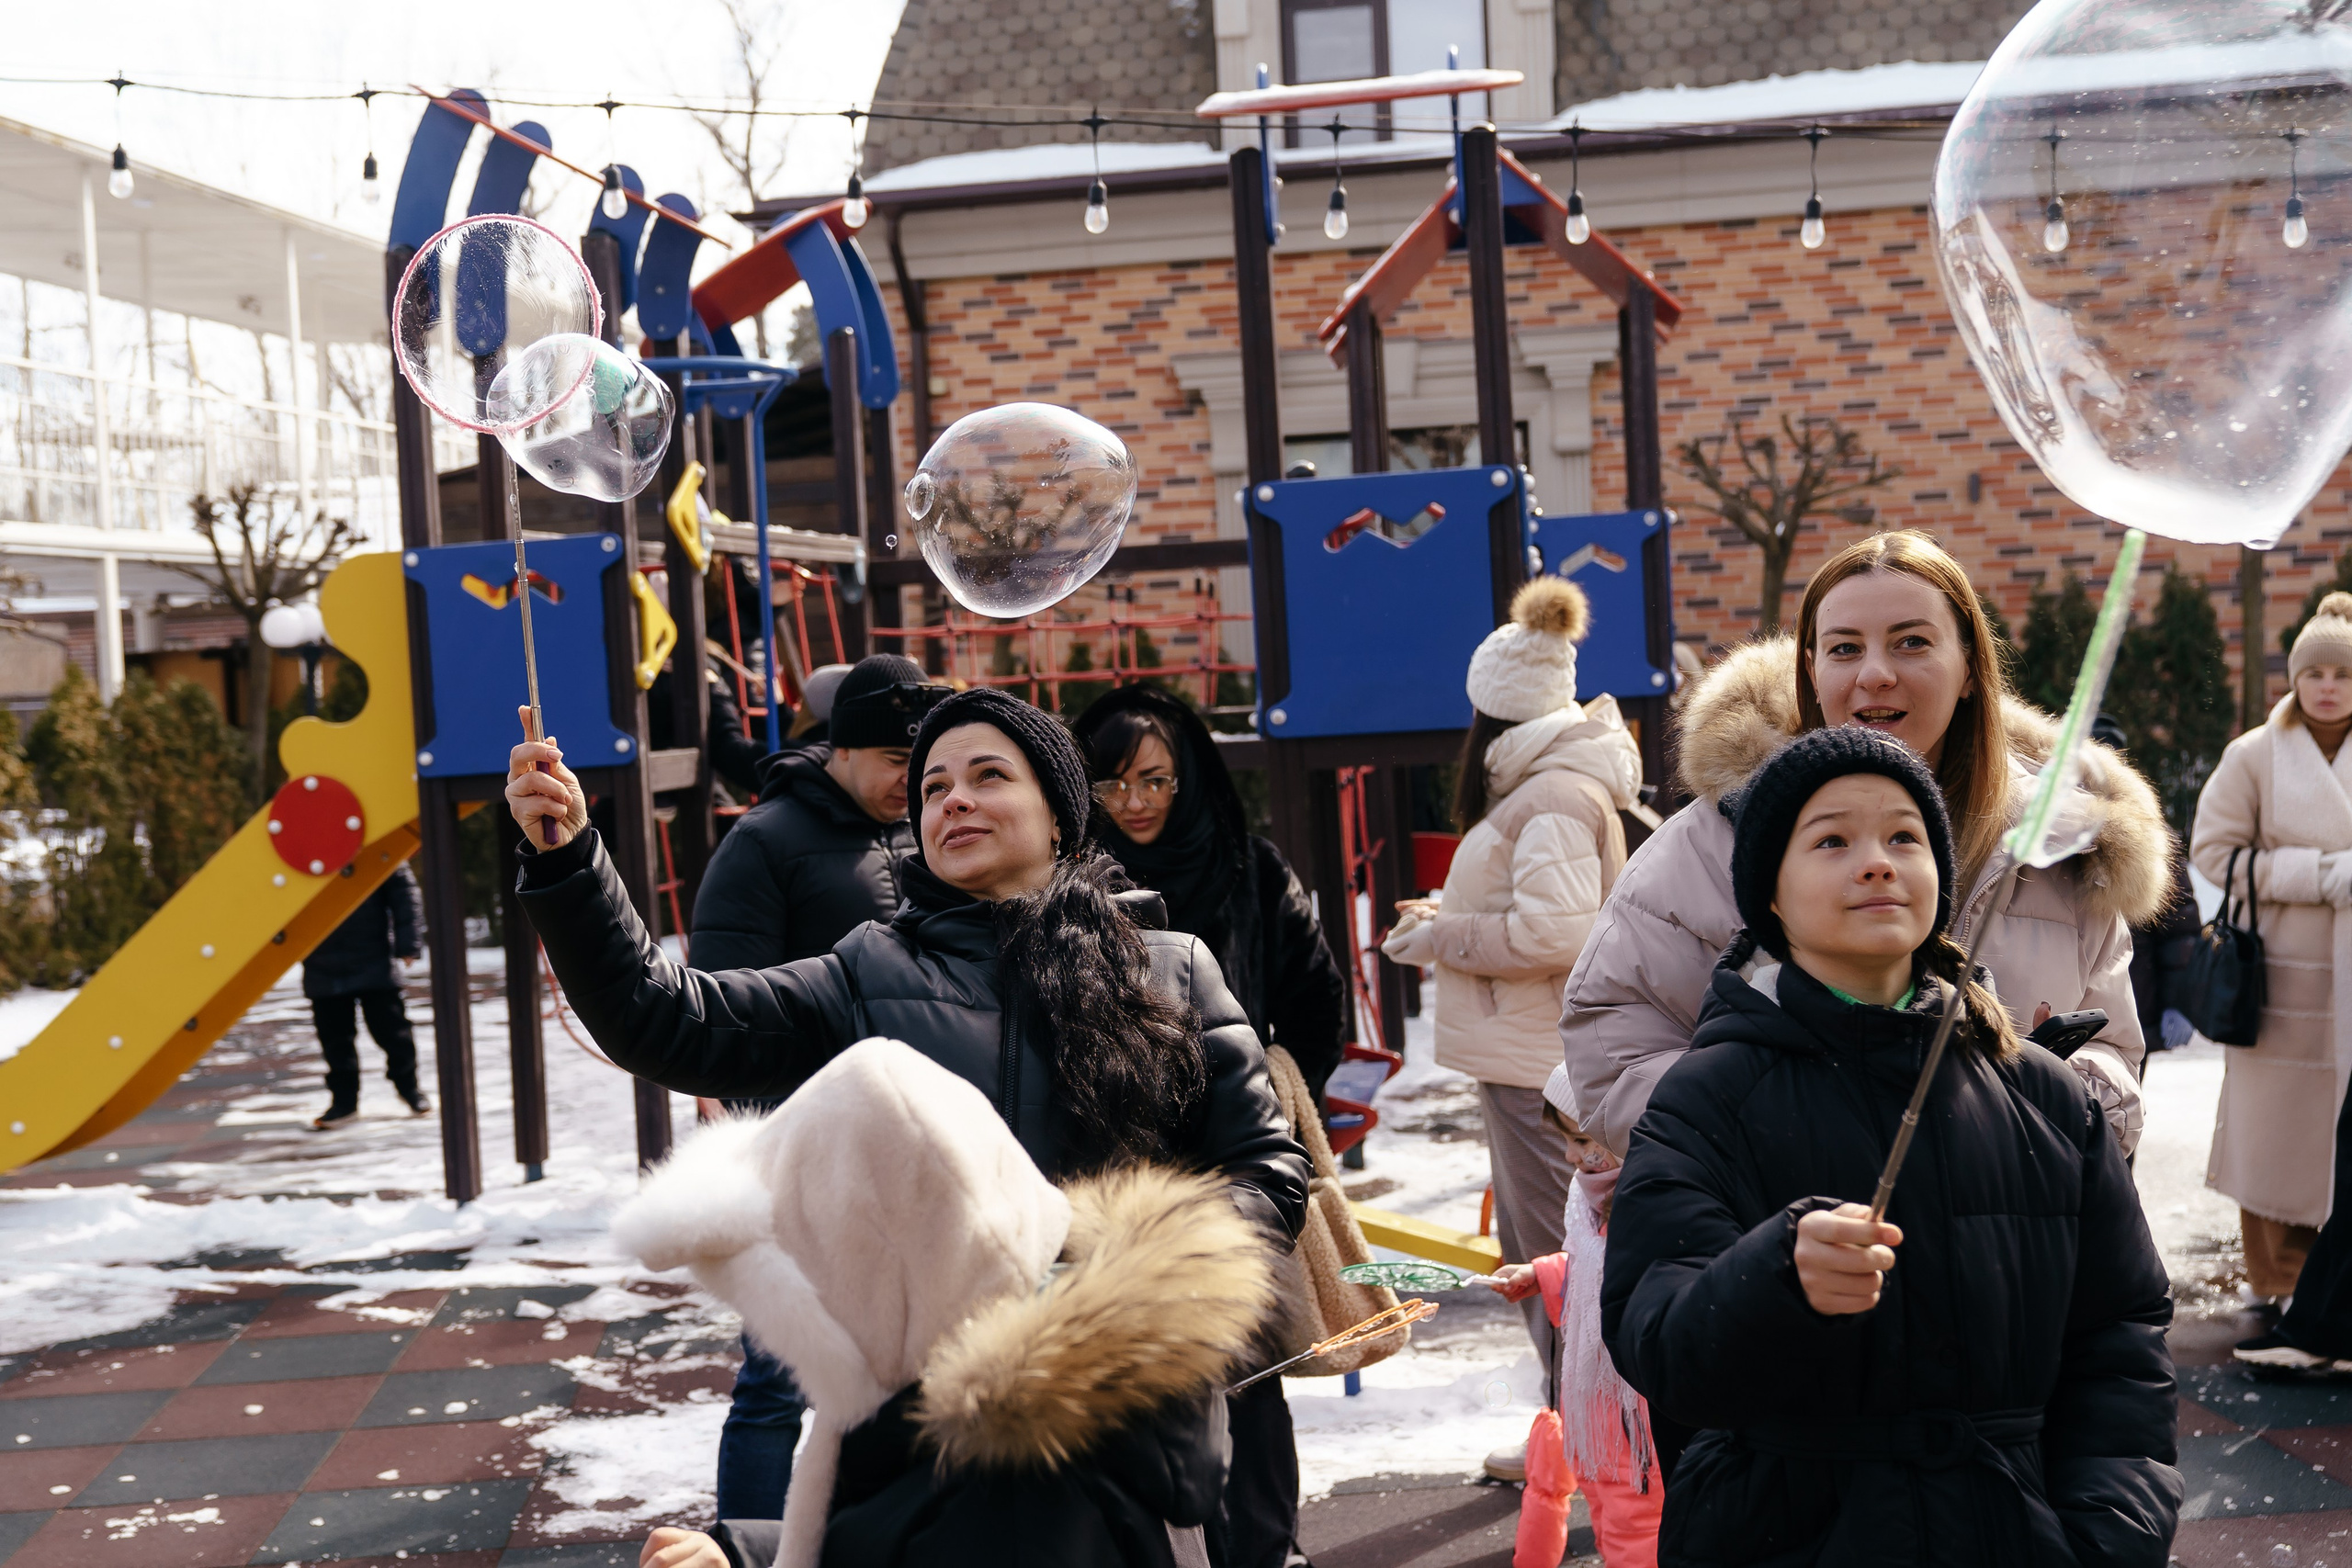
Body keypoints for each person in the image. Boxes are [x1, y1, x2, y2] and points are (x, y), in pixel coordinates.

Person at [507, 687, 1309, 1550]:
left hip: (1128, 1407)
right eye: (931, 787)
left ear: (1060, 819)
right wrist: (571, 861)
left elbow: (1268, 1174)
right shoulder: (867, 968)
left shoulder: (1171, 968)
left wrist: (1114, 1269)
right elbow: (665, 1016)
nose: (952, 799)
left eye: (987, 775)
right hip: (923, 1432)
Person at [1602, 726, 2181, 1566]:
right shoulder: (1703, 1100)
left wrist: (2106, 1535)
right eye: (1832, 839)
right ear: (1769, 892)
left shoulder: (2049, 1103)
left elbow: (2120, 1340)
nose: (1876, 861)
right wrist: (1776, 1278)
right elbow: (1658, 1340)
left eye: (1904, 836)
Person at [1562, 531, 2168, 1164]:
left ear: (1969, 668)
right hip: (1794, 1240)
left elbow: (2116, 1053)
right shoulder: (1716, 838)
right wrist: (1783, 1123)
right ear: (1813, 672)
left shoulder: (2056, 846)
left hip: (2009, 1235)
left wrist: (2049, 1096)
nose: (1876, 674)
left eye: (1912, 642)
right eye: (1845, 648)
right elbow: (1610, 1042)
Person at [623, 1040, 1272, 1568]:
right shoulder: (997, 1416)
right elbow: (892, 1528)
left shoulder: (1011, 1500)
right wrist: (743, 1552)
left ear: (878, 1288)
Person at [1071, 681, 1347, 1568]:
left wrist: (1265, 1091)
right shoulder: (1068, 885)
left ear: (1187, 773)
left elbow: (1317, 999)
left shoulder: (1250, 867)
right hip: (1117, 1165)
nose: (1138, 802)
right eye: (1111, 786)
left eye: (1155, 779)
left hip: (1233, 1160)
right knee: (1141, 1376)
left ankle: (1269, 1549)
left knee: (1251, 1370)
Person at [1383, 576, 1642, 1482]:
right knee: (1545, 1255)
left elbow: (1555, 933)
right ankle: (1577, 1430)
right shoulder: (1557, 786)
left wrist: (1438, 938)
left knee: (1553, 1260)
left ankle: (1581, 1438)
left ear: (1493, 715)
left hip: (1539, 1063)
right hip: (1532, 1054)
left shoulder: (1551, 796)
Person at [681, 651, 949, 1521]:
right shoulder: (766, 841)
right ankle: (746, 1542)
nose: (913, 784)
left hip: (923, 1137)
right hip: (806, 1149)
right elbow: (722, 1002)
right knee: (779, 1373)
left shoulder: (919, 831)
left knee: (921, 1366)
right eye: (897, 765)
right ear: (842, 749)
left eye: (925, 767)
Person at [2192, 593, 2352, 1354]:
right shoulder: (2254, 753)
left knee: (2340, 1126)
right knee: (2278, 1129)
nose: (2328, 686)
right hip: (2278, 977)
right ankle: (2280, 1279)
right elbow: (2212, 853)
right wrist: (2319, 874)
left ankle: (2332, 1285)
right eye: (2314, 672)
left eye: (2343, 673)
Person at [1485, 1067, 1659, 1568]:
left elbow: (1625, 1287)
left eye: (1582, 1139)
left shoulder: (1652, 1204)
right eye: (1565, 1139)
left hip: (1639, 1419)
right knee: (1609, 1519)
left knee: (1638, 1529)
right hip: (1598, 1413)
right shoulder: (1592, 1204)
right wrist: (1544, 1273)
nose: (1569, 1156)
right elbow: (1590, 1273)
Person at [304, 861, 428, 1131]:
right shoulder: (300, 852)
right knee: (335, 1039)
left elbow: (403, 892)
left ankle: (409, 1088)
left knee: (394, 1033)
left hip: (374, 957)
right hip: (321, 961)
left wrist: (408, 943)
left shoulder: (371, 841)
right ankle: (344, 1102)